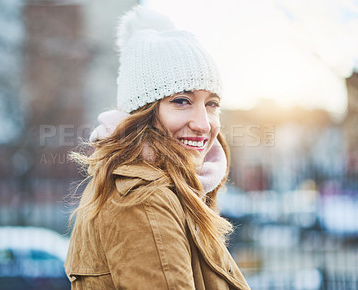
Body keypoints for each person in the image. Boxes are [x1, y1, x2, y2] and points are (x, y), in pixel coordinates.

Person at [64, 5, 250, 290]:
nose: (203, 123)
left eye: (211, 104)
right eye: (181, 100)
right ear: (143, 112)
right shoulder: (144, 199)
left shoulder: (181, 187)